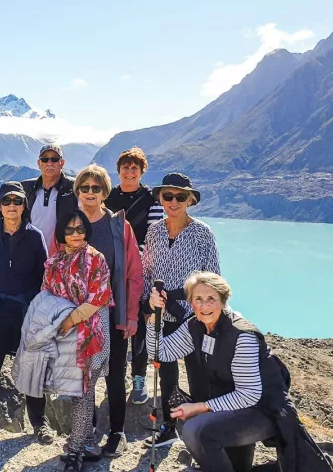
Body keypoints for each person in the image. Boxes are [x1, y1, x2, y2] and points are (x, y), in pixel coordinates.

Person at [147, 272, 333, 472]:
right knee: (235, 465)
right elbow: (160, 352)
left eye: (211, 299)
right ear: (191, 303)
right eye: (198, 299)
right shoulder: (195, 325)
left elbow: (249, 394)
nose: (204, 305)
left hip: (264, 410)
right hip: (233, 408)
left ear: (223, 300)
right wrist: (154, 319)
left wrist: (200, 407)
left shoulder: (242, 336)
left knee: (195, 430)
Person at [0, 182, 54, 444]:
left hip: (26, 313)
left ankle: (39, 423)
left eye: (17, 201)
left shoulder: (35, 236)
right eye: (7, 202)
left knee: (32, 368)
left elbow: (44, 278)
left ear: (24, 206)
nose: (12, 206)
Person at [141, 172, 221, 448]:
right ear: (161, 199)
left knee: (199, 373)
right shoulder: (154, 231)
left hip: (194, 316)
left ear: (190, 200)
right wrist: (146, 306)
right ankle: (170, 424)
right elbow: (146, 272)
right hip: (162, 312)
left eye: (180, 196)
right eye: (168, 196)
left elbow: (214, 277)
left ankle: (202, 428)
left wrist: (207, 312)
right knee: (166, 373)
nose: (174, 201)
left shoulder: (202, 233)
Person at [72, 165, 144, 457]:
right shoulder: (71, 224)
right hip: (79, 316)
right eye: (85, 187)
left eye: (96, 188)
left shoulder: (119, 225)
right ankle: (86, 433)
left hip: (113, 312)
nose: (90, 193)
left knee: (115, 373)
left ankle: (117, 432)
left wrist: (130, 316)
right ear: (78, 191)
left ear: (105, 192)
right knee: (83, 376)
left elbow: (134, 273)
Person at [42, 211, 113, 472]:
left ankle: (74, 452)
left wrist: (69, 320)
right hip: (65, 336)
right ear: (62, 232)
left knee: (82, 392)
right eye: (70, 229)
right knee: (77, 392)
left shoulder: (97, 260)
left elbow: (98, 299)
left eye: (80, 228)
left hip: (92, 334)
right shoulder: (53, 262)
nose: (75, 234)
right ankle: (90, 443)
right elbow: (45, 298)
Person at [103, 147, 164, 405]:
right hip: (109, 271)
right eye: (125, 167)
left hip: (141, 270)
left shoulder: (151, 200)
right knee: (112, 325)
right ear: (118, 171)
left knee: (138, 324)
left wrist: (132, 259)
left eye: (134, 168)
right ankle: (115, 377)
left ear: (141, 171)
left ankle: (138, 379)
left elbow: (154, 236)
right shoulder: (108, 197)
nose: (129, 172)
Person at [21, 143, 78, 256]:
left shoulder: (75, 188)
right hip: (31, 257)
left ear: (62, 163)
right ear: (39, 163)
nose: (50, 163)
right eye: (45, 159)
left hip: (63, 258)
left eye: (55, 159)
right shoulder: (26, 189)